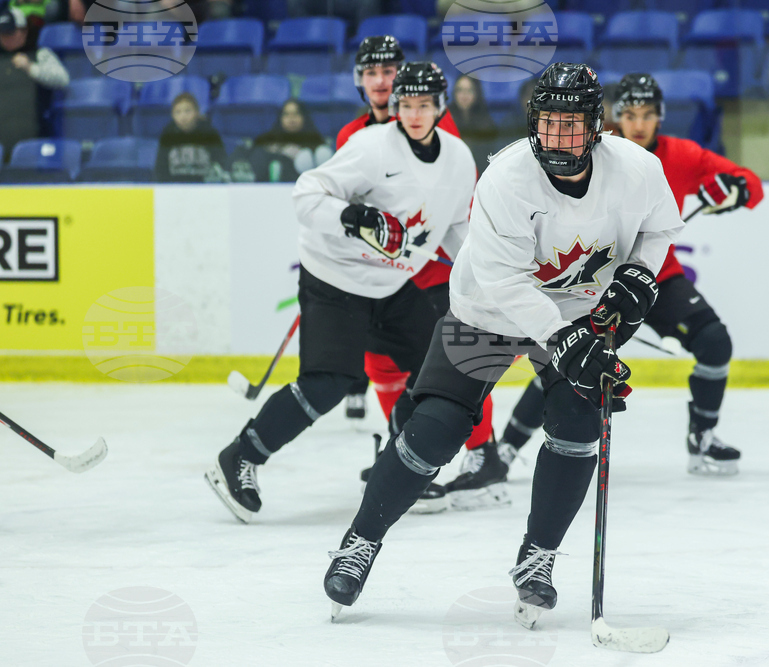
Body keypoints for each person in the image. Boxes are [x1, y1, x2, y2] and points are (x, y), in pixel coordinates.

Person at [322, 63, 684, 626]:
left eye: (572, 125)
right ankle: (360, 541)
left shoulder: (637, 169)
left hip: (579, 311)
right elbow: (505, 280)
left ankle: (536, 558)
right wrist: (562, 338)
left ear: (596, 126)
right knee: (436, 428)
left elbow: (661, 228)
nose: (558, 137)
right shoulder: (507, 179)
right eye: (548, 123)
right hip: (489, 309)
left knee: (578, 423)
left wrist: (639, 275)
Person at [205, 62, 477, 523]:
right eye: (406, 104)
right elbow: (306, 195)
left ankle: (399, 465)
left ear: (440, 107)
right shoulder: (371, 146)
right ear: (395, 106)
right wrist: (352, 216)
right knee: (328, 382)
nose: (414, 114)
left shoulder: (458, 158)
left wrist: (485, 274)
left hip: (391, 283)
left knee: (439, 368)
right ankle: (239, 457)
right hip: (334, 279)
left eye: (424, 105)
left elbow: (456, 229)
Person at [497, 73, 763, 483]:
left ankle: (703, 436)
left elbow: (751, 184)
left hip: (651, 276)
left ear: (661, 117)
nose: (638, 124)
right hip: (589, 279)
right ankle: (507, 448)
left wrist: (733, 188)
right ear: (613, 116)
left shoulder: (681, 155)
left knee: (714, 342)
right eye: (629, 114)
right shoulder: (593, 149)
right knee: (570, 361)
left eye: (648, 115)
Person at [337, 37, 500, 509]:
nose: (382, 82)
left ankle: (482, 454)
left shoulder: (433, 123)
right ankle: (401, 451)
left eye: (390, 72)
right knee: (380, 364)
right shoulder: (352, 134)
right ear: (360, 81)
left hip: (429, 269)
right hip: (379, 274)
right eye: (372, 73)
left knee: (452, 359)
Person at [0, 5, 68, 161]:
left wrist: (31, 68)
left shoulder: (40, 54)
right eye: (2, 34)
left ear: (23, 31)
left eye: (10, 33)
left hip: (34, 136)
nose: (6, 38)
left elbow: (62, 79)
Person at [154, 92, 228, 182]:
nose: (183, 117)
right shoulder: (167, 135)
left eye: (188, 111)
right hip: (174, 189)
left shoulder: (209, 134)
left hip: (205, 189)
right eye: (178, 112)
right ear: (172, 115)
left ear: (197, 112)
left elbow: (221, 164)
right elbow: (160, 170)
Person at [252, 99, 332, 178]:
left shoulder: (315, 139)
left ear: (304, 117)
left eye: (296, 114)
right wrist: (281, 150)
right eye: (286, 114)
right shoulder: (269, 140)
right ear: (280, 118)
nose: (291, 119)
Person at [448, 74, 497, 173]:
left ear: (477, 93)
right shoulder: (446, 119)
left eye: (469, 90)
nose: (464, 95)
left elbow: (488, 158)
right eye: (460, 90)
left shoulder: (486, 122)